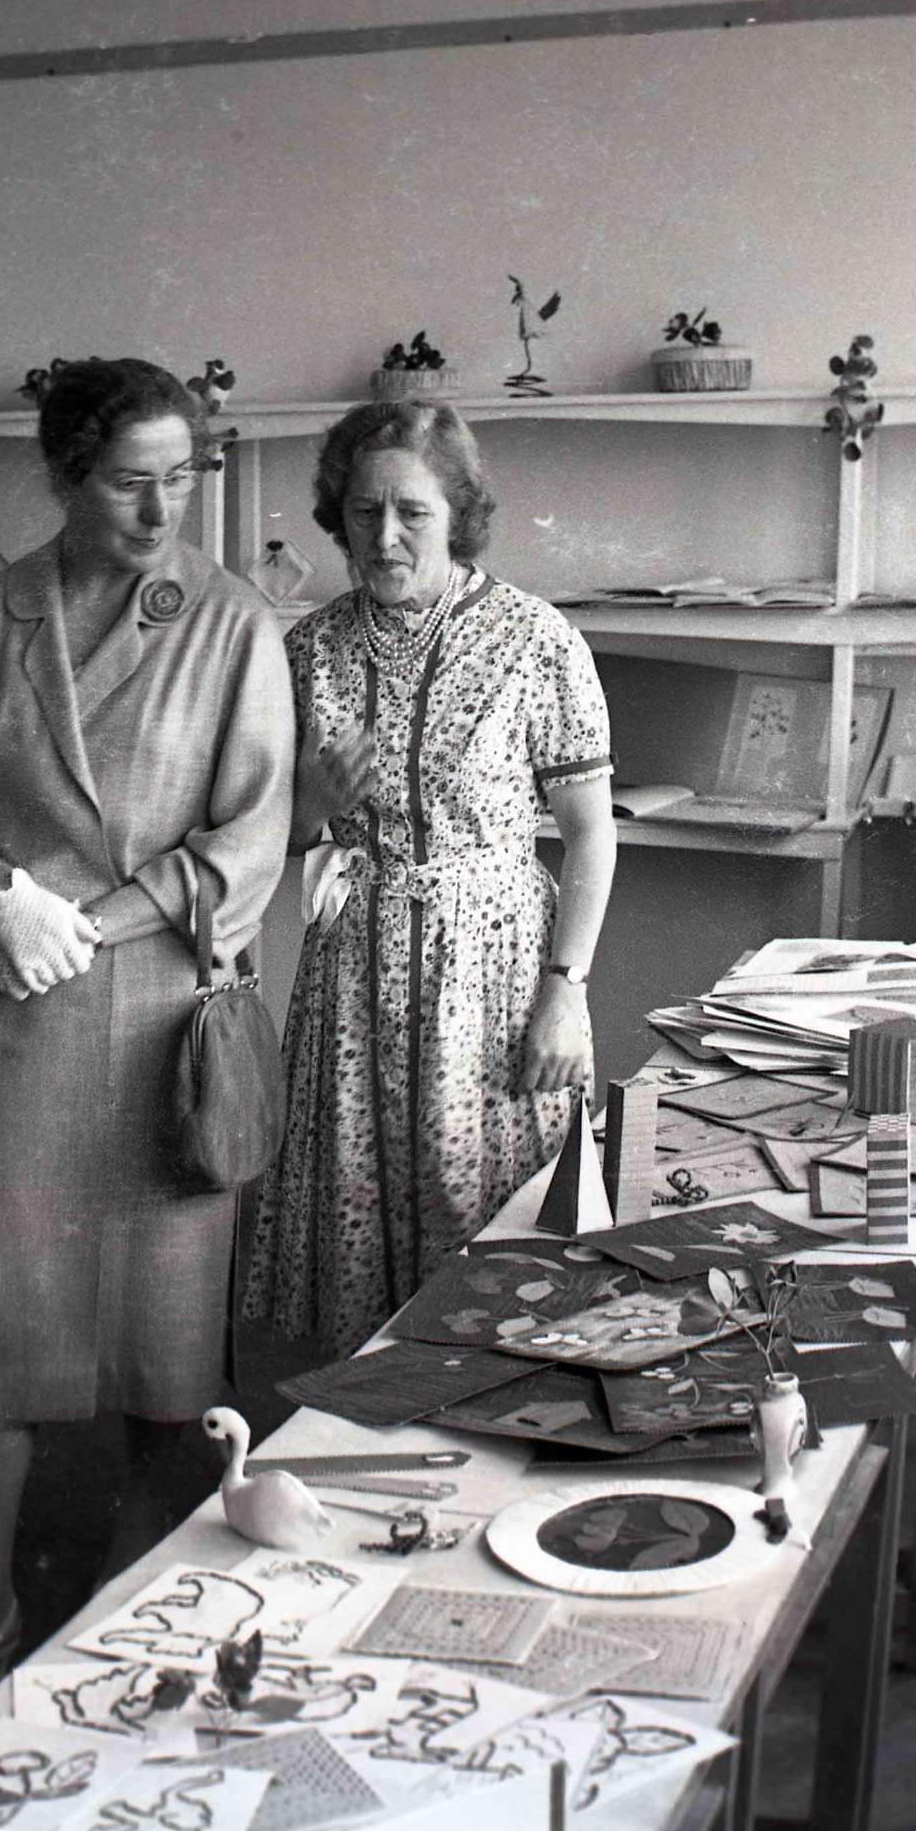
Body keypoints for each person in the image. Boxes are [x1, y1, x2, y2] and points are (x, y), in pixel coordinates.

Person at [0, 357, 294, 1720]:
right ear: (64, 476)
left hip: (161, 1016)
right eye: (130, 483)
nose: (162, 510)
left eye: (182, 479)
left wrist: (86, 921)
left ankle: (137, 1596)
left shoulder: (230, 622)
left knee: (163, 1337)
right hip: (8, 1007)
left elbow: (248, 838)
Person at [243, 399, 616, 1358]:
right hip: (352, 981)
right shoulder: (308, 649)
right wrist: (313, 801)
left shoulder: (535, 640)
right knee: (355, 1227)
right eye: (363, 511)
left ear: (458, 515)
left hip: (493, 981)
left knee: (492, 1230)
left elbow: (590, 836)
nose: (385, 536)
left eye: (412, 512)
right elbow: (275, 839)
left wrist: (566, 993)